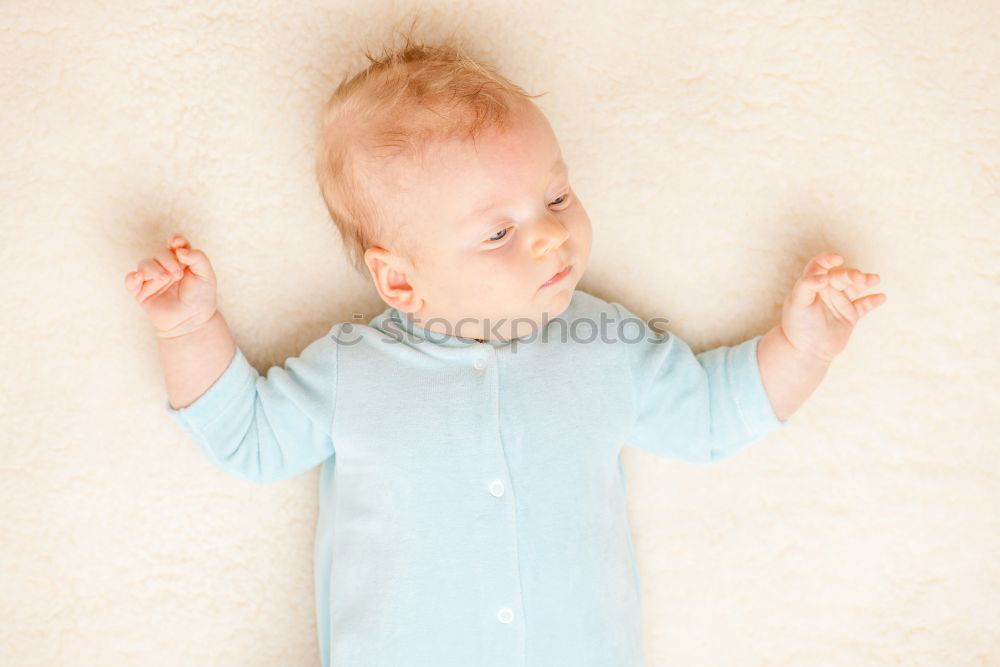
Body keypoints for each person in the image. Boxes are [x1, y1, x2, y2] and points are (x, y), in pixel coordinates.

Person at [124, 33, 886, 667]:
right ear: (400, 279)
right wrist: (188, 327)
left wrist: (801, 344)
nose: (550, 232)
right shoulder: (354, 369)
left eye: (556, 198)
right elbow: (249, 438)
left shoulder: (604, 343)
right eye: (499, 231)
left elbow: (715, 415)